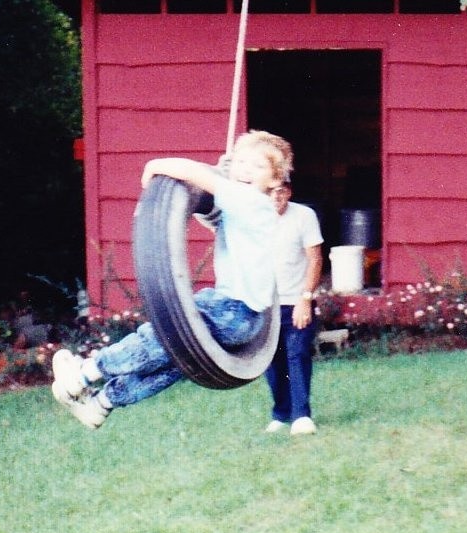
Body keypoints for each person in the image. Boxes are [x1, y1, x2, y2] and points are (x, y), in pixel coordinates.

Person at [50, 130, 292, 429]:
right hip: (246, 319)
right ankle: (102, 404)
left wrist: (156, 165)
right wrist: (226, 171)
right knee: (173, 360)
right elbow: (213, 217)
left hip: (230, 308)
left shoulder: (252, 202)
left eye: (256, 166)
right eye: (240, 162)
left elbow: (195, 175)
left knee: (158, 336)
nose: (245, 170)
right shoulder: (252, 211)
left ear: (275, 181)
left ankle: (84, 374)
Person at [262, 180, 324, 435]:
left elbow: (315, 258)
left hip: (296, 301)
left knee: (296, 354)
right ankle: (281, 413)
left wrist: (305, 298)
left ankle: (301, 415)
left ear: (288, 191)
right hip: (264, 303)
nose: (276, 196)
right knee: (271, 362)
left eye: (281, 190)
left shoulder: (304, 216)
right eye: (269, 191)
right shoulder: (253, 219)